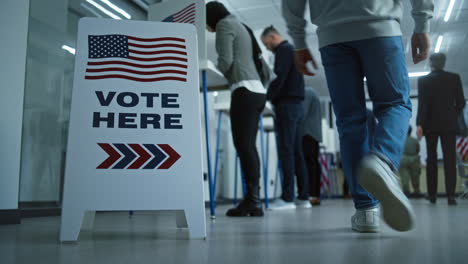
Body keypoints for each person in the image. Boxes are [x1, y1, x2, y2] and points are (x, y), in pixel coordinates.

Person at [283, 0, 434, 232]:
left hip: (332, 36)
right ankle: (383, 160)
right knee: (394, 104)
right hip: (380, 25)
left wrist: (299, 41)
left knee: (349, 121)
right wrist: (422, 23)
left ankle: (366, 213)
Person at [206, 1, 266, 217]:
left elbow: (226, 62)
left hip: (244, 90)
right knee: (248, 146)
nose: (207, 28)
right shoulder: (239, 23)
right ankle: (254, 201)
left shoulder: (224, 25)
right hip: (257, 91)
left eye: (206, 23)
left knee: (244, 146)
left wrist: (209, 66)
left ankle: (252, 201)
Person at [260, 26, 310, 210]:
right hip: (296, 106)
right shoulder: (293, 50)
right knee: (297, 152)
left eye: (267, 44)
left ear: (273, 36)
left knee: (286, 151)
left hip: (286, 106)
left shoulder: (283, 50)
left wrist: (265, 98)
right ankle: (303, 197)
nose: (267, 48)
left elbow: (278, 78)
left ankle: (288, 198)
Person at [416, 53, 465, 206]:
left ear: (431, 64)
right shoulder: (454, 78)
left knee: (431, 159)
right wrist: (451, 113)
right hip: (449, 125)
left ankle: (432, 195)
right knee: (450, 160)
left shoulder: (423, 80)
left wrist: (420, 124)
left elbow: (423, 105)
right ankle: (451, 196)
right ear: (444, 63)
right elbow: (461, 102)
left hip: (430, 125)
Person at [301, 87, 323, 206]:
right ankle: (314, 195)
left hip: (308, 133)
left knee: (309, 165)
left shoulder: (307, 92)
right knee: (312, 164)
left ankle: (312, 195)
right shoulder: (311, 92)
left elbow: (302, 113)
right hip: (312, 134)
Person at [399, 126, 422, 198]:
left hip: (403, 159)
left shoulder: (400, 140)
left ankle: (406, 192)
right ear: (411, 131)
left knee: (404, 177)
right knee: (415, 176)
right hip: (414, 159)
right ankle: (416, 191)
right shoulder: (415, 140)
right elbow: (418, 150)